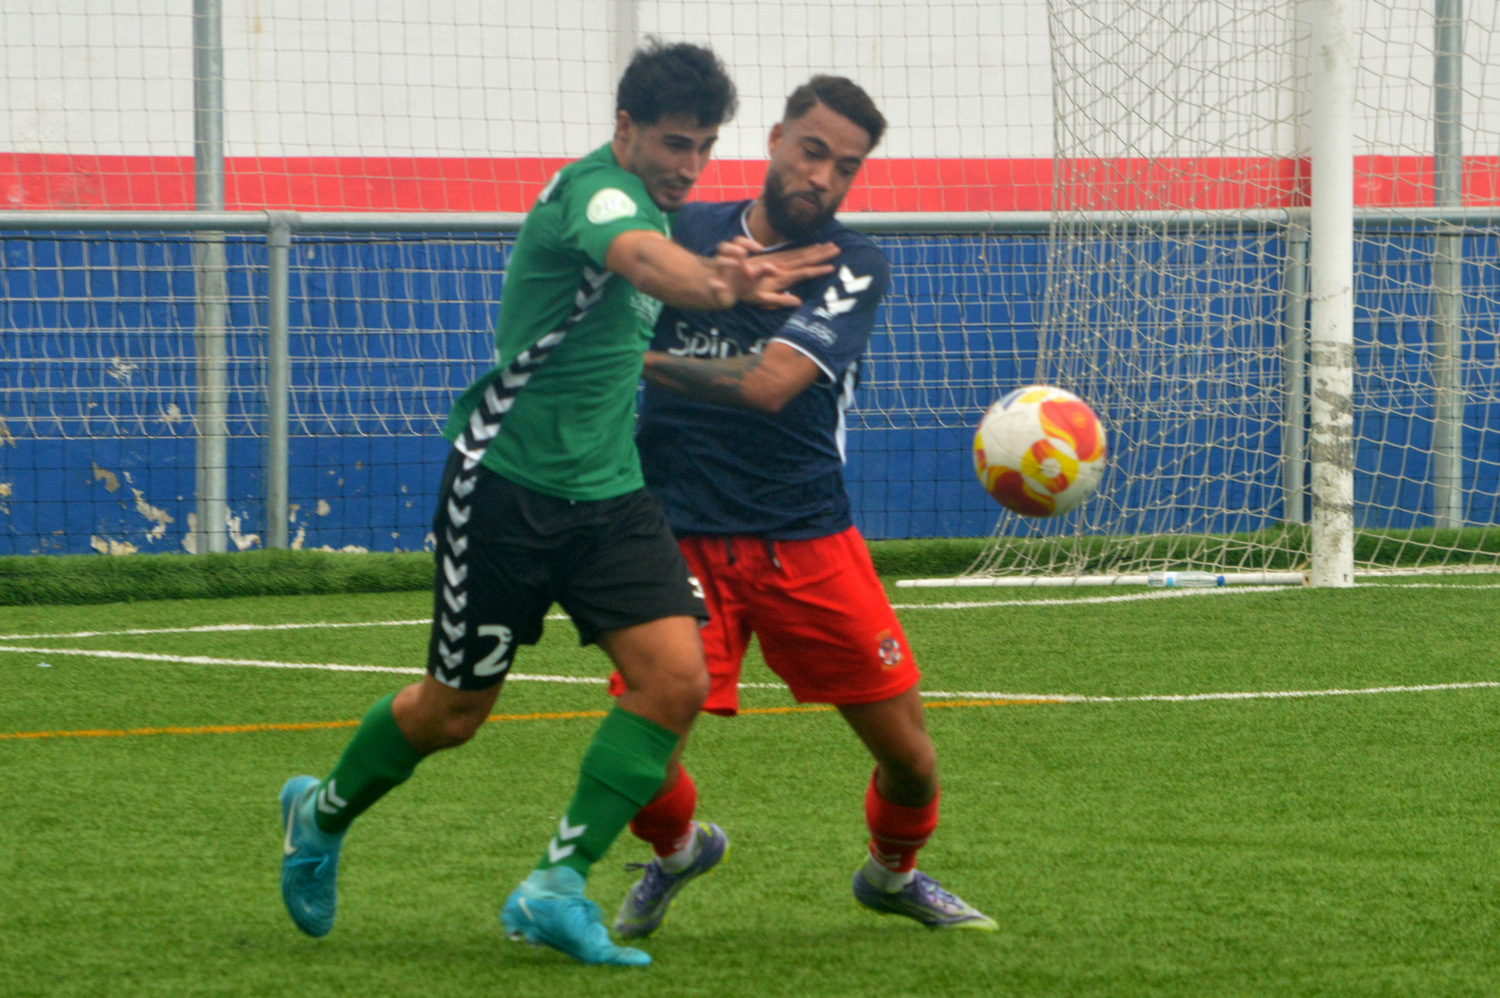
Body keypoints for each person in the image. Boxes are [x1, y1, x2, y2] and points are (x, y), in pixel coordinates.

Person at [276, 40, 835, 968]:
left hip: (610, 496)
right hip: (505, 491)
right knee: (455, 712)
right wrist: (717, 283)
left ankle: (555, 884)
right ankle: (320, 811)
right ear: (625, 129)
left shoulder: (656, 198)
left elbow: (652, 286)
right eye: (672, 143)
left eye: (703, 146)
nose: (688, 166)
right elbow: (644, 260)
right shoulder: (597, 195)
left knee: (677, 679)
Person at [609, 75, 997, 938]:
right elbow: (592, 304)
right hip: (675, 537)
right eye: (813, 151)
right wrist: (706, 289)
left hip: (806, 537)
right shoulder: (681, 233)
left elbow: (770, 384)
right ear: (777, 138)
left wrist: (639, 361)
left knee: (911, 761)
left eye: (845, 167)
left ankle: (892, 876)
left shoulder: (852, 264)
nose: (823, 177)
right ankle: (676, 853)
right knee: (637, 754)